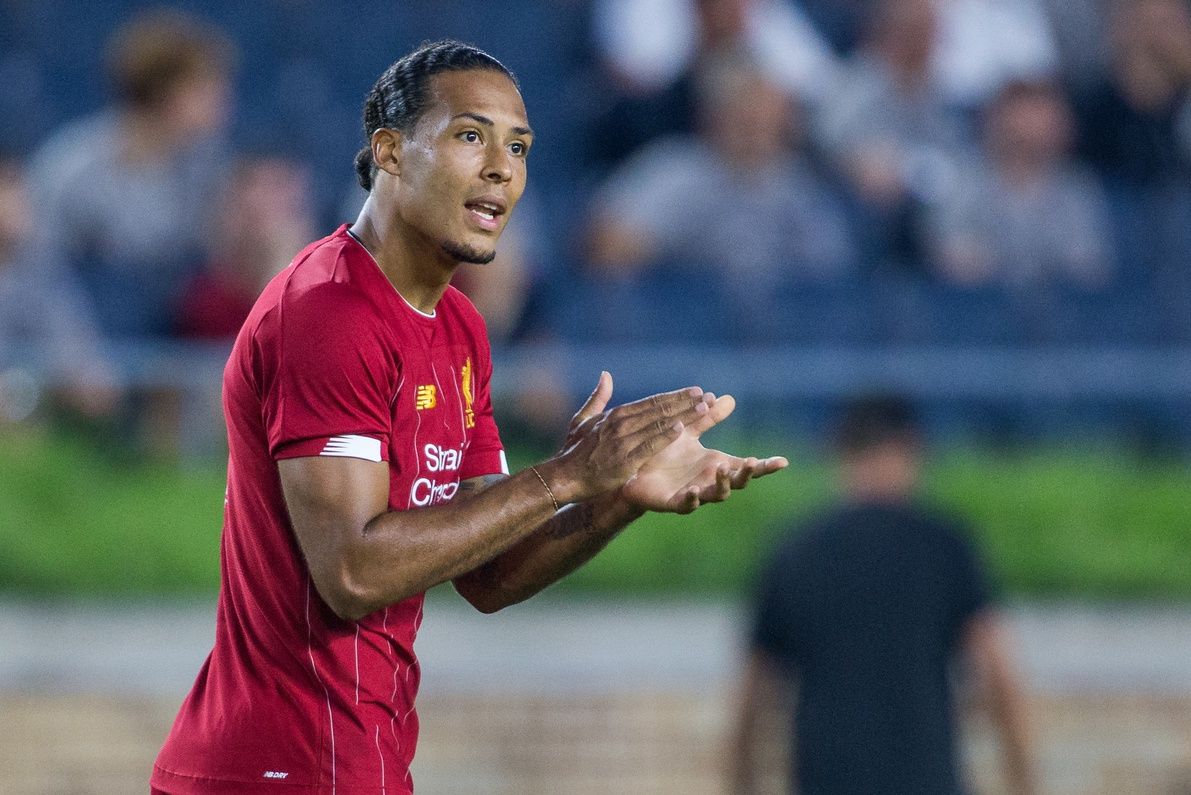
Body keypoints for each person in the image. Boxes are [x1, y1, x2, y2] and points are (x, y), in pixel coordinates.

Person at [152, 40, 786, 794]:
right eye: (469, 135)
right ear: (389, 151)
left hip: (356, 763)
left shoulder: (457, 326)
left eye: (518, 146)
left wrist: (612, 494)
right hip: (278, 768)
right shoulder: (328, 311)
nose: (501, 167)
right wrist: (563, 475)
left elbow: (489, 572)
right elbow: (351, 571)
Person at [728, 395, 1034, 794]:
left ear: (838, 449)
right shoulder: (943, 545)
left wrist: (742, 783)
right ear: (911, 447)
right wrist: (1023, 779)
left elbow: (753, 699)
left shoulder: (796, 551)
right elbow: (997, 674)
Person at [27, 9, 234, 339]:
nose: (224, 104)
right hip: (80, 346)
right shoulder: (71, 168)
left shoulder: (209, 169)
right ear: (170, 93)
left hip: (175, 352)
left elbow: (217, 275)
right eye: (209, 90)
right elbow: (38, 273)